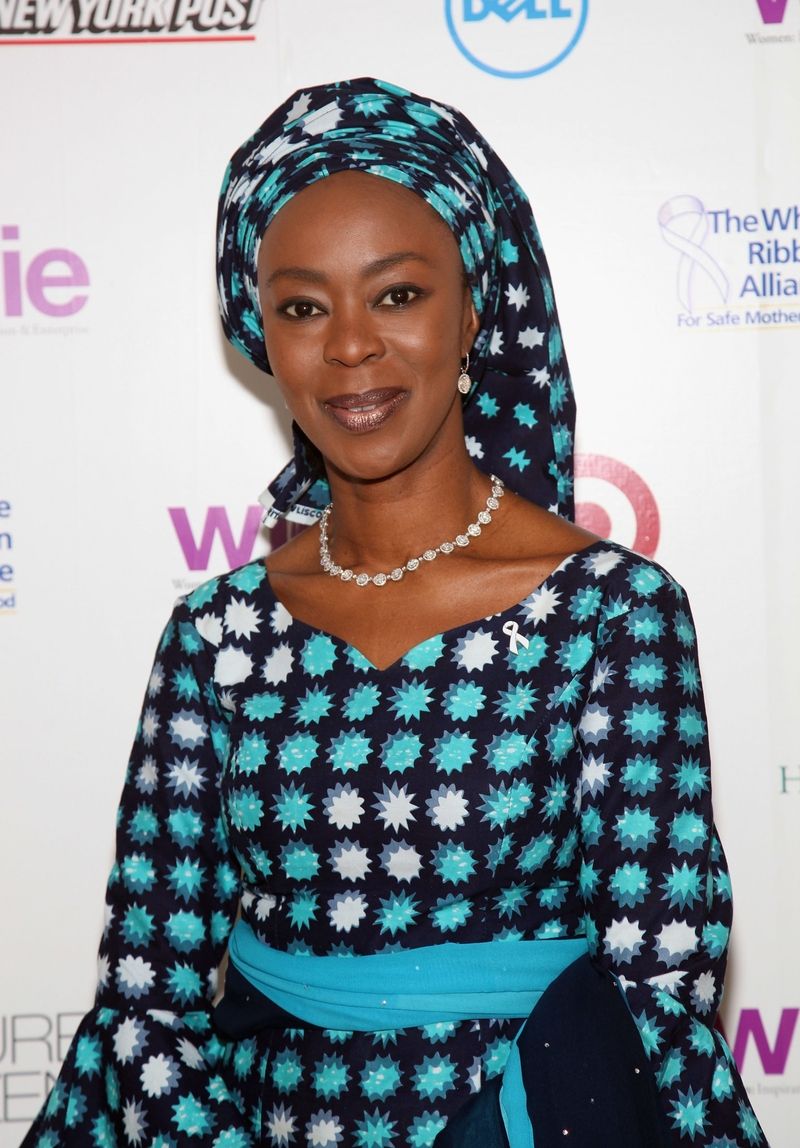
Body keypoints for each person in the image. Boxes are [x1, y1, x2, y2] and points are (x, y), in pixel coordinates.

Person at [24, 77, 766, 1147]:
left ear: (472, 311)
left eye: (397, 294)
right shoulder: (216, 638)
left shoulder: (613, 614)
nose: (349, 347)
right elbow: (147, 1002)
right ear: (261, 334)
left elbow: (657, 989)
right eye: (302, 307)